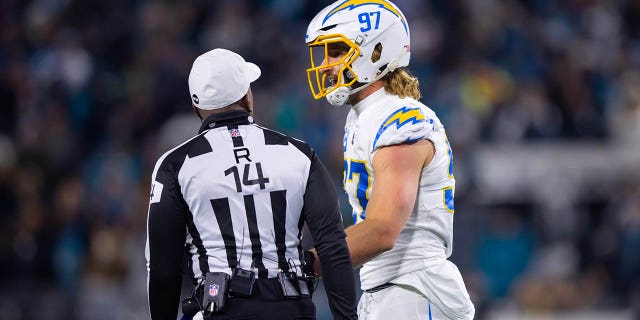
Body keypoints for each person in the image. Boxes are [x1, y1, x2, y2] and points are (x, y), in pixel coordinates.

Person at [145, 48, 357, 320]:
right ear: (247, 95)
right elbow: (333, 247)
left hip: (217, 309)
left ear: (196, 105)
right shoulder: (299, 154)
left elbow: (163, 269)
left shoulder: (175, 165)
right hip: (291, 309)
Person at [304, 1, 475, 319]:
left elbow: (382, 230)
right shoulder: (367, 115)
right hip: (390, 288)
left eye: (337, 51)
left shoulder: (401, 118)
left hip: (415, 288)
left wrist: (306, 264)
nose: (326, 65)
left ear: (377, 50)